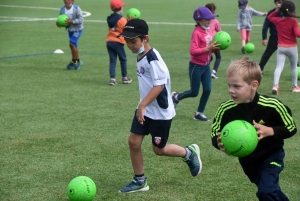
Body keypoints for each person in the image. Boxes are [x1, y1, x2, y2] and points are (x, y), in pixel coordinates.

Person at [117, 19, 202, 193]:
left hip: (160, 113)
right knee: (133, 142)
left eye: (133, 41)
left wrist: (143, 105)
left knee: (159, 149)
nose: (130, 45)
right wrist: (142, 106)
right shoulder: (141, 55)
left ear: (145, 39)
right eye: (127, 41)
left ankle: (189, 153)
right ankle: (140, 180)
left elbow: (159, 86)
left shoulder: (153, 59)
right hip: (145, 109)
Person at [211, 56, 297, 201]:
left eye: (237, 86)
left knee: (266, 191)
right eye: (229, 85)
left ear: (254, 85)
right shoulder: (226, 109)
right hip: (248, 161)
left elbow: (291, 127)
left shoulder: (272, 106)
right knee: (271, 191)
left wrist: (270, 131)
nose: (231, 90)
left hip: (271, 155)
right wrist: (218, 143)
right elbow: (215, 133)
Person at [172, 6, 220, 121]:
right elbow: (193, 51)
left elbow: (209, 50)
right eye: (207, 19)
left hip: (206, 66)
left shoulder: (207, 31)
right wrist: (208, 48)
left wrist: (215, 48)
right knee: (194, 92)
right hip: (196, 66)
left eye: (211, 19)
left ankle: (199, 113)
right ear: (199, 20)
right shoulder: (197, 33)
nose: (210, 21)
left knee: (207, 90)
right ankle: (176, 97)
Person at [268, 0, 300, 94]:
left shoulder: (278, 21)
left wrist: (276, 10)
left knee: (278, 67)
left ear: (281, 10)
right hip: (292, 48)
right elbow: (297, 34)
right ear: (293, 10)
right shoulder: (294, 21)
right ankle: (295, 86)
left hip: (281, 48)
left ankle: (275, 85)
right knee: (294, 67)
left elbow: (269, 17)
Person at [106, 0, 132, 86]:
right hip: (118, 42)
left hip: (109, 41)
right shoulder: (122, 19)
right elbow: (126, 29)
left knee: (112, 60)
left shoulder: (110, 18)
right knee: (123, 59)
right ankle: (124, 77)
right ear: (120, 8)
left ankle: (112, 79)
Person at [258, 0, 285, 75]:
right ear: (275, 2)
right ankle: (260, 68)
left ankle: (297, 66)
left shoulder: (287, 12)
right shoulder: (271, 13)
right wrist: (264, 38)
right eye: (278, 1)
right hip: (274, 37)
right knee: (268, 53)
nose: (280, 3)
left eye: (281, 1)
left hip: (285, 37)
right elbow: (265, 26)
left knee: (291, 53)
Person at [57, 0, 84, 70]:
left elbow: (81, 19)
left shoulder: (76, 8)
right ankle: (77, 61)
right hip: (70, 30)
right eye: (65, 0)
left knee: (71, 44)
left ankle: (74, 61)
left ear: (72, 1)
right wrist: (59, 23)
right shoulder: (62, 9)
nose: (66, 1)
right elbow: (61, 19)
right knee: (74, 45)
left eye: (68, 0)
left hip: (78, 29)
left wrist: (72, 21)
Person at [205, 3, 222, 79]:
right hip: (215, 42)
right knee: (218, 57)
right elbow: (220, 32)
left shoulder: (204, 21)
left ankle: (205, 70)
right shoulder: (215, 21)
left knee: (209, 57)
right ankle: (214, 71)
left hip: (207, 42)